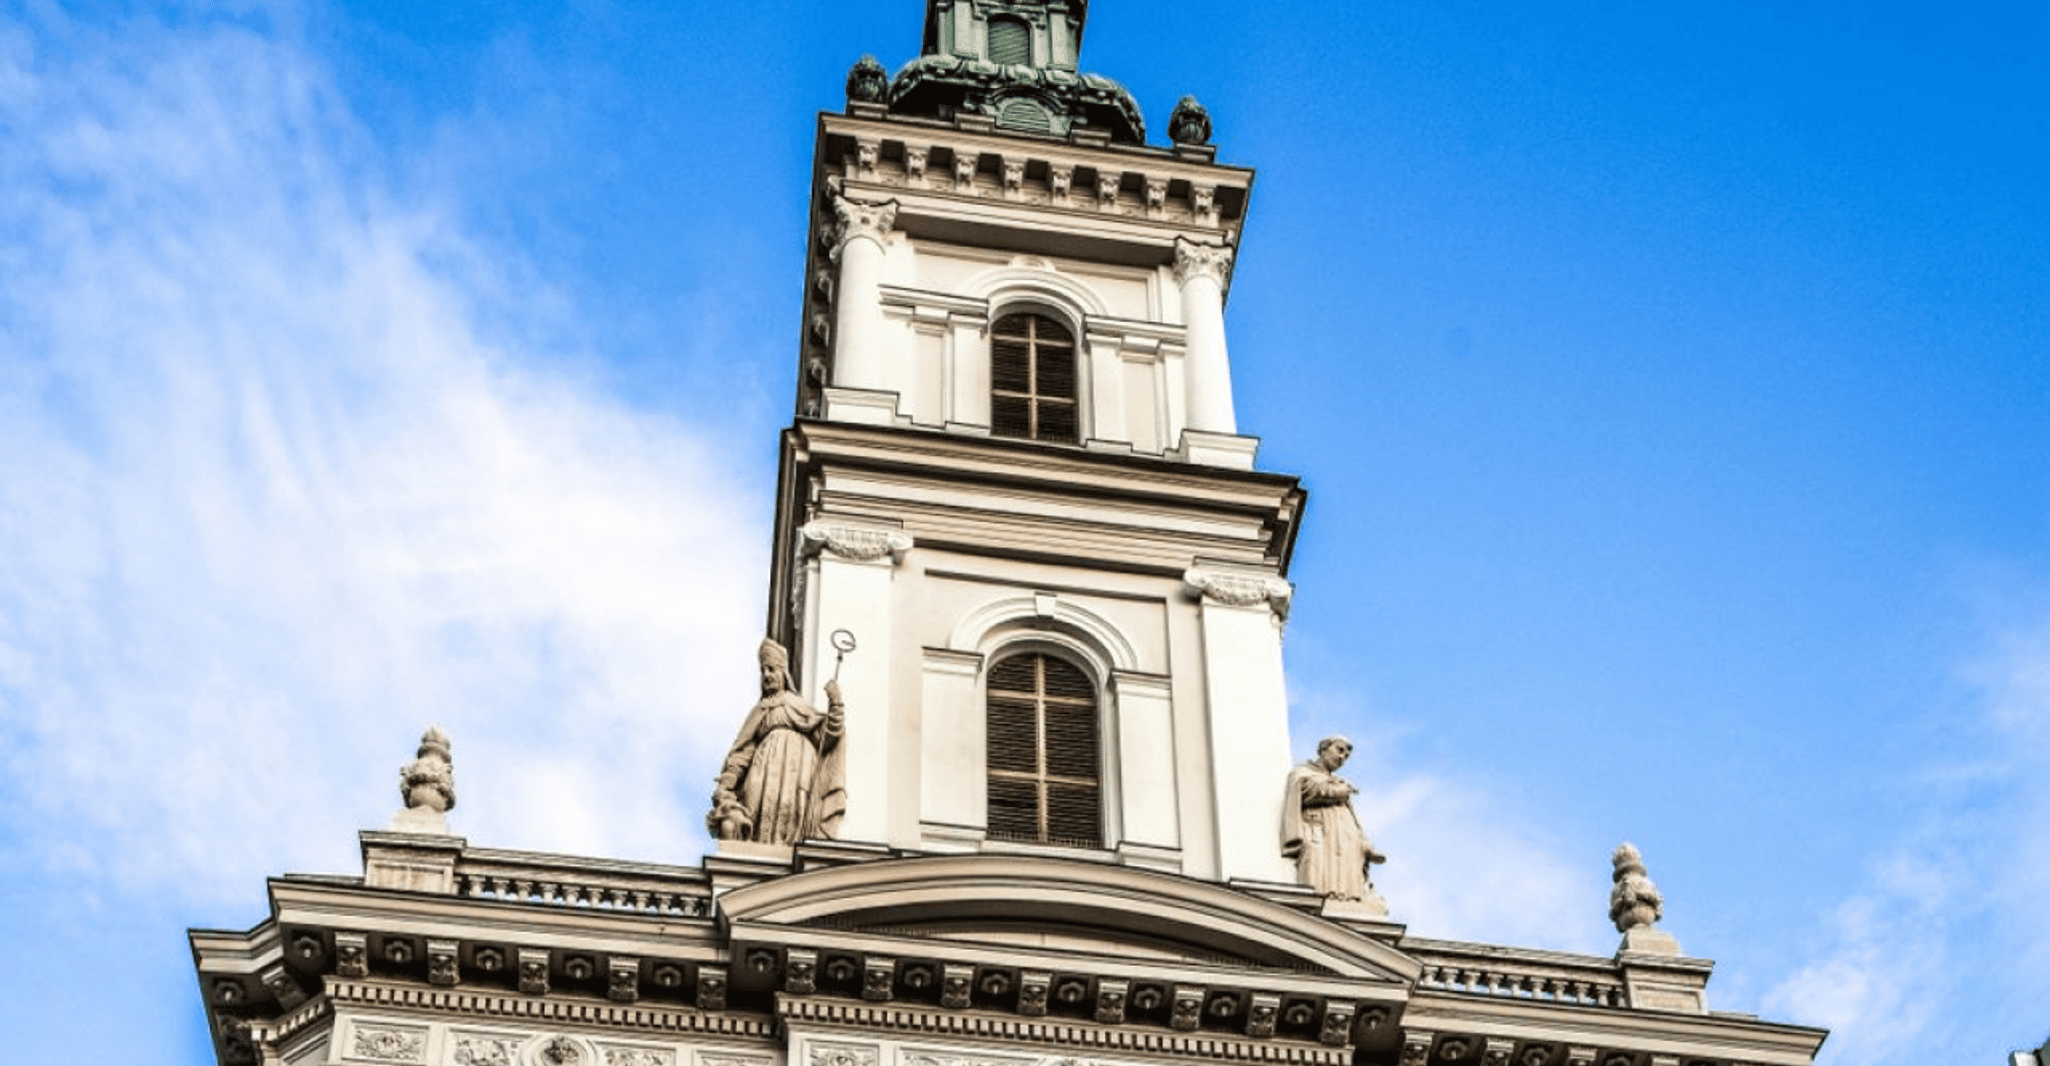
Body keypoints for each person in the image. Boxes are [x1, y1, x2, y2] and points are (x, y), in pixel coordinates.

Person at [707, 638, 847, 844]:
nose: (767, 676)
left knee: (793, 813)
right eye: (763, 671)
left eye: (771, 669)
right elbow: (742, 752)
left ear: (783, 672)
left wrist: (835, 704)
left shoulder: (799, 706)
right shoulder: (760, 711)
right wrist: (727, 784)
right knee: (759, 812)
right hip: (763, 771)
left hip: (798, 774)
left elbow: (827, 737)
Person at [1280, 736, 1386, 900]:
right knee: (1319, 873)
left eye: (1346, 756)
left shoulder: (1338, 781)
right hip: (1320, 836)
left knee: (1348, 877)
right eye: (1339, 750)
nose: (1342, 758)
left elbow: (1354, 819)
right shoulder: (1303, 773)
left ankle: (1350, 901)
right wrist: (1340, 790)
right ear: (1324, 749)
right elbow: (1307, 791)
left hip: (1345, 841)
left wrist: (1364, 844)